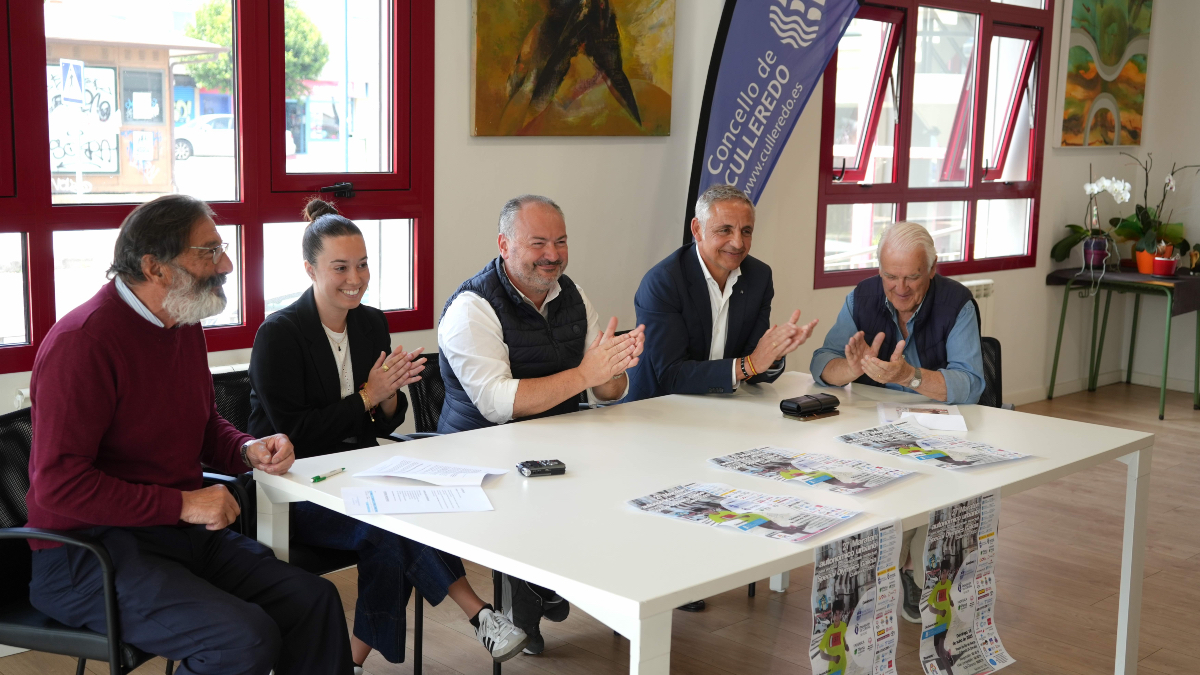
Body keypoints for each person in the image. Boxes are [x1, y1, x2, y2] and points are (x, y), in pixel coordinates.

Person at [24, 195, 351, 675]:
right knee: (241, 640)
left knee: (314, 600)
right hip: (86, 556)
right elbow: (59, 485)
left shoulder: (181, 322)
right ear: (155, 267)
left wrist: (245, 447)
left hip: (172, 536)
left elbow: (200, 424)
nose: (227, 263)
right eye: (208, 251)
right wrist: (182, 505)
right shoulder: (83, 343)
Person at [248, 199, 529, 669]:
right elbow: (294, 433)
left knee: (406, 523)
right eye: (340, 267)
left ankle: (349, 661)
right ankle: (477, 613)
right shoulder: (278, 334)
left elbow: (382, 425)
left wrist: (387, 398)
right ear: (310, 269)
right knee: (390, 532)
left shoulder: (370, 322)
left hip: (356, 473)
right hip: (292, 487)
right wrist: (365, 395)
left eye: (362, 265)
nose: (354, 278)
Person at [437, 194, 645, 653]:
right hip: (480, 453)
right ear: (504, 245)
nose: (553, 255)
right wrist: (586, 375)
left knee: (640, 470)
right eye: (538, 243)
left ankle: (593, 594)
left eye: (561, 242)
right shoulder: (471, 308)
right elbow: (497, 405)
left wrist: (616, 368)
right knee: (548, 492)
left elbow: (603, 389)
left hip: (560, 444)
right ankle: (537, 593)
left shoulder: (571, 294)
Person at [809, 221, 985, 622]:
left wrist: (910, 376)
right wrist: (849, 369)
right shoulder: (861, 297)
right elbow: (822, 363)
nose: (899, 287)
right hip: (882, 426)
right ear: (879, 270)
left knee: (929, 486)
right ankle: (889, 574)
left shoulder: (958, 303)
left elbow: (972, 383)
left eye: (911, 277)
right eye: (890, 276)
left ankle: (911, 572)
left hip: (947, 426)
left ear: (932, 269)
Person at [626, 184, 818, 402]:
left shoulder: (759, 276)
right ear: (697, 229)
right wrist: (750, 364)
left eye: (746, 231)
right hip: (654, 408)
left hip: (721, 406)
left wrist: (775, 353)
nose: (738, 243)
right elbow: (672, 375)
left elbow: (753, 367)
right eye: (725, 230)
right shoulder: (664, 281)